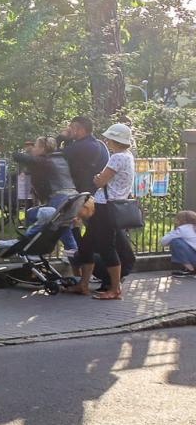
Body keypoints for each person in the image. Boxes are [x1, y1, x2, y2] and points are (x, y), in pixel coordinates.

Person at [84, 122, 137, 300]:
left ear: (115, 140)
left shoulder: (117, 157)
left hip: (105, 206)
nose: (106, 141)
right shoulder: (128, 156)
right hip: (112, 204)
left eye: (109, 138)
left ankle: (115, 289)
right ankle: (83, 284)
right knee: (87, 244)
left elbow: (99, 182)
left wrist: (97, 178)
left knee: (106, 247)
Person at [60, 116, 109, 196]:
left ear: (81, 130)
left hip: (84, 197)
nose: (69, 130)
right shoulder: (100, 144)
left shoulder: (81, 146)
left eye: (71, 127)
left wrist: (61, 137)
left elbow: (54, 155)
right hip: (97, 195)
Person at [162, 211, 196, 276]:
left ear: (181, 220)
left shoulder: (183, 229)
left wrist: (173, 233)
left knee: (176, 241)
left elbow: (163, 241)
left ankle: (191, 269)